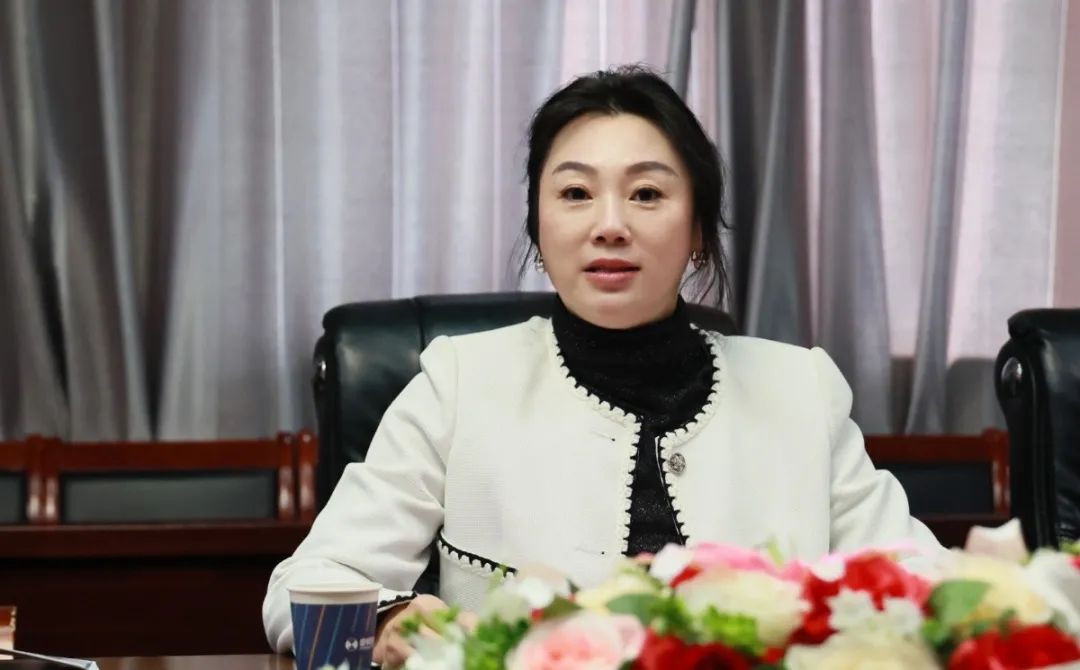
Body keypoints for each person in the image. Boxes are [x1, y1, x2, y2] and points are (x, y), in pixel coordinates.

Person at [263, 65, 941, 666]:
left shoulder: (801, 392)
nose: (610, 225)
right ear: (538, 227)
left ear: (698, 230)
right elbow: (306, 586)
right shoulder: (460, 384)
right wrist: (391, 620)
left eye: (646, 194)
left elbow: (927, 593)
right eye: (575, 194)